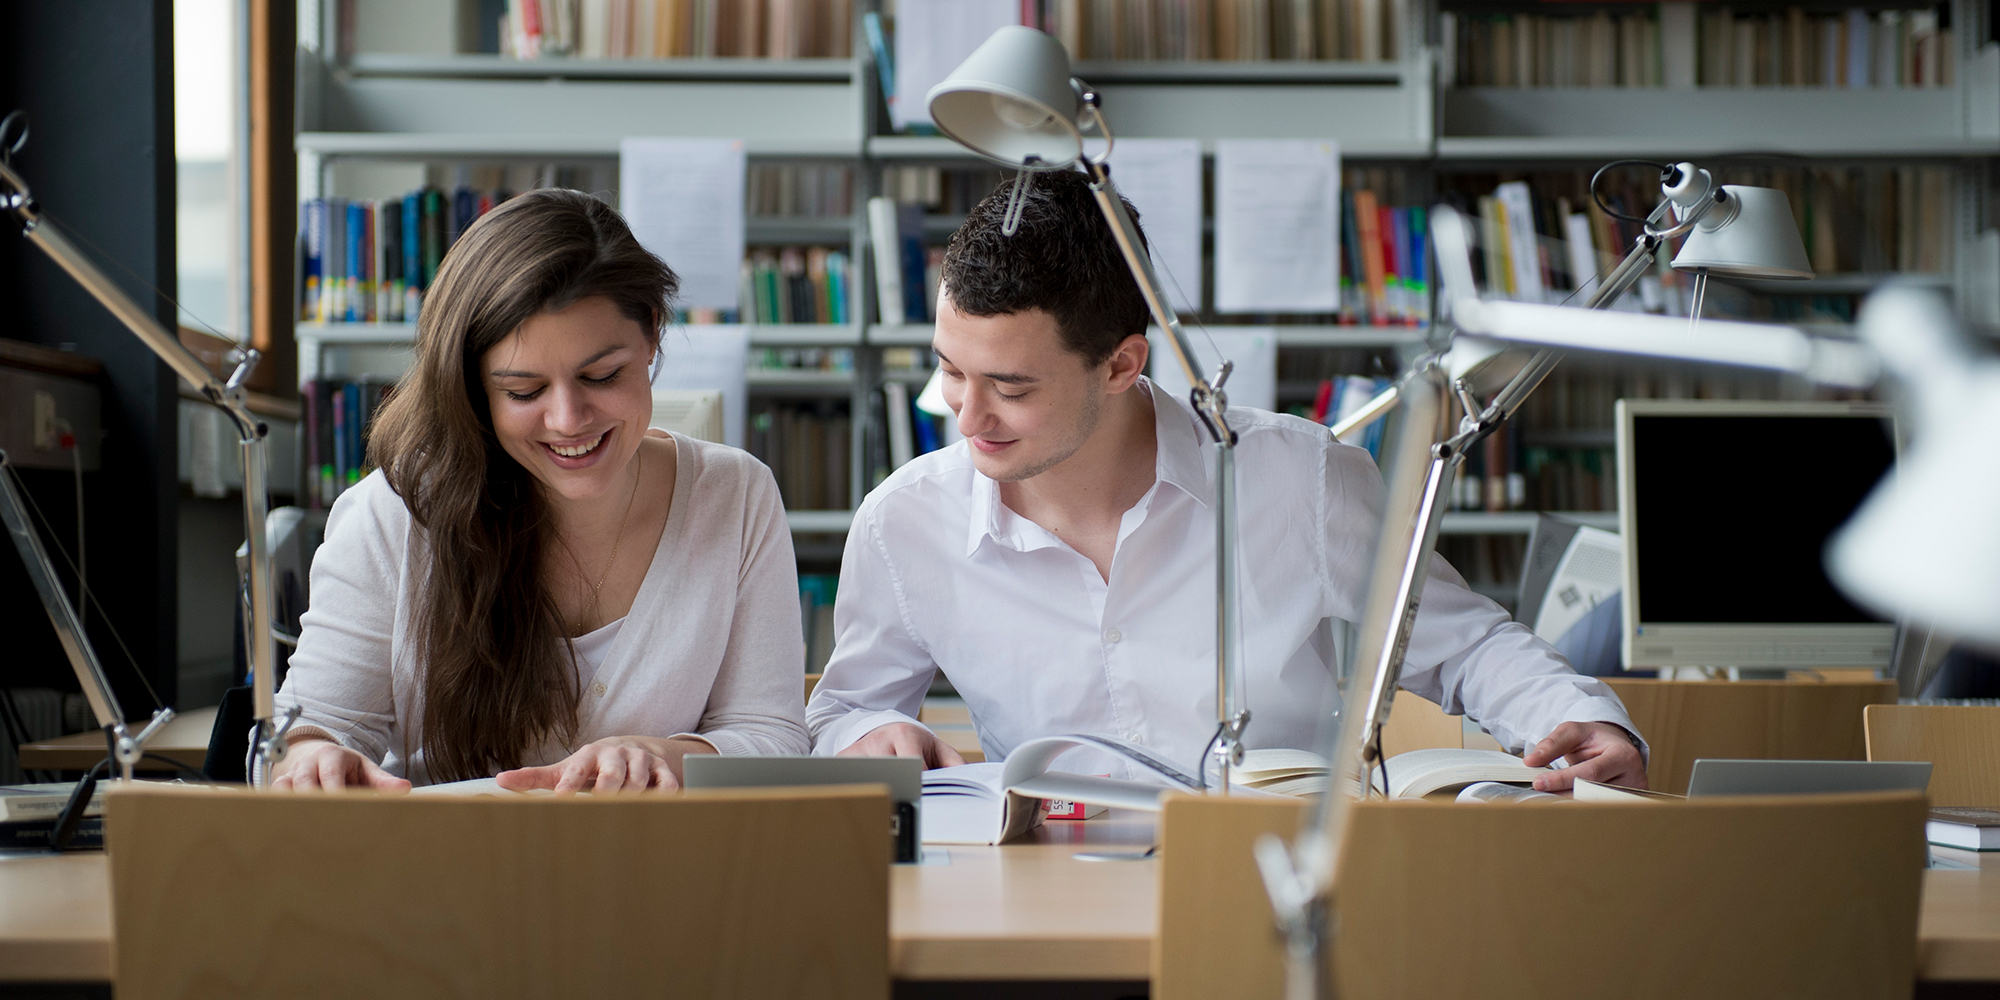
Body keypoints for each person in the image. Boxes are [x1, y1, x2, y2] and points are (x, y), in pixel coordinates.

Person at [807, 171, 1647, 791]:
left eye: (1012, 387)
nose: (966, 415)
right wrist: (871, 732)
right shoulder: (904, 522)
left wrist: (1587, 723)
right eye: (951, 371)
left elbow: (1468, 645)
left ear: (1121, 365)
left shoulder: (1299, 479)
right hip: (1049, 889)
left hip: (1276, 883)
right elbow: (841, 714)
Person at [269, 188, 809, 792]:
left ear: (652, 334)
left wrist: (669, 753)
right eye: (523, 392)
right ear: (475, 388)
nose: (568, 419)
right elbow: (313, 726)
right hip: (441, 873)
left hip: (658, 876)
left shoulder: (734, 495)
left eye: (602, 376)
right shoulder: (395, 513)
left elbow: (772, 734)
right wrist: (308, 759)